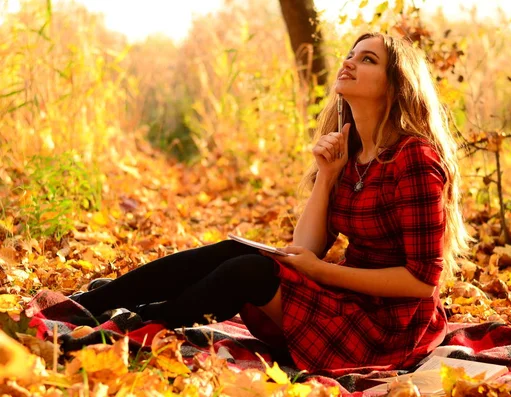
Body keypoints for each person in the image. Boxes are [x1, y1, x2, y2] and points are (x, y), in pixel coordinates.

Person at [70, 32, 471, 372]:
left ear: (396, 85)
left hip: (388, 325)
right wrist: (327, 176)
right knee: (236, 250)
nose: (349, 62)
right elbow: (307, 247)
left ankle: (133, 330)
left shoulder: (414, 158)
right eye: (350, 54)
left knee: (249, 272)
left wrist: (323, 273)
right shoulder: (348, 152)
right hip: (349, 300)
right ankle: (91, 305)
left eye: (368, 60)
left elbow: (421, 282)